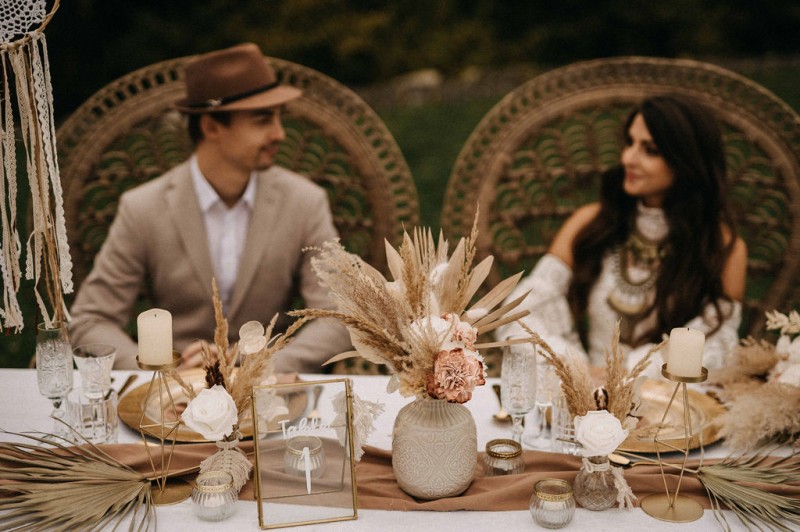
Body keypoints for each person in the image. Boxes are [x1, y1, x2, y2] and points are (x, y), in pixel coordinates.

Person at [68, 43, 351, 371]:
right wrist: (159, 371)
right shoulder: (142, 209)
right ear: (212, 126)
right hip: (174, 403)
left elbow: (339, 317)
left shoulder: (305, 201)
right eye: (262, 120)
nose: (279, 134)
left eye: (278, 119)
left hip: (270, 396)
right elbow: (90, 320)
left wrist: (259, 366)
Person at [497, 94, 748, 372]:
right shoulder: (590, 223)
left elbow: (713, 351)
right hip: (582, 396)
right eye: (629, 143)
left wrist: (625, 378)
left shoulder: (722, 247)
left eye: (650, 150)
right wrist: (579, 373)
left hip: (666, 406)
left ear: (687, 161)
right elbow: (516, 316)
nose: (628, 158)